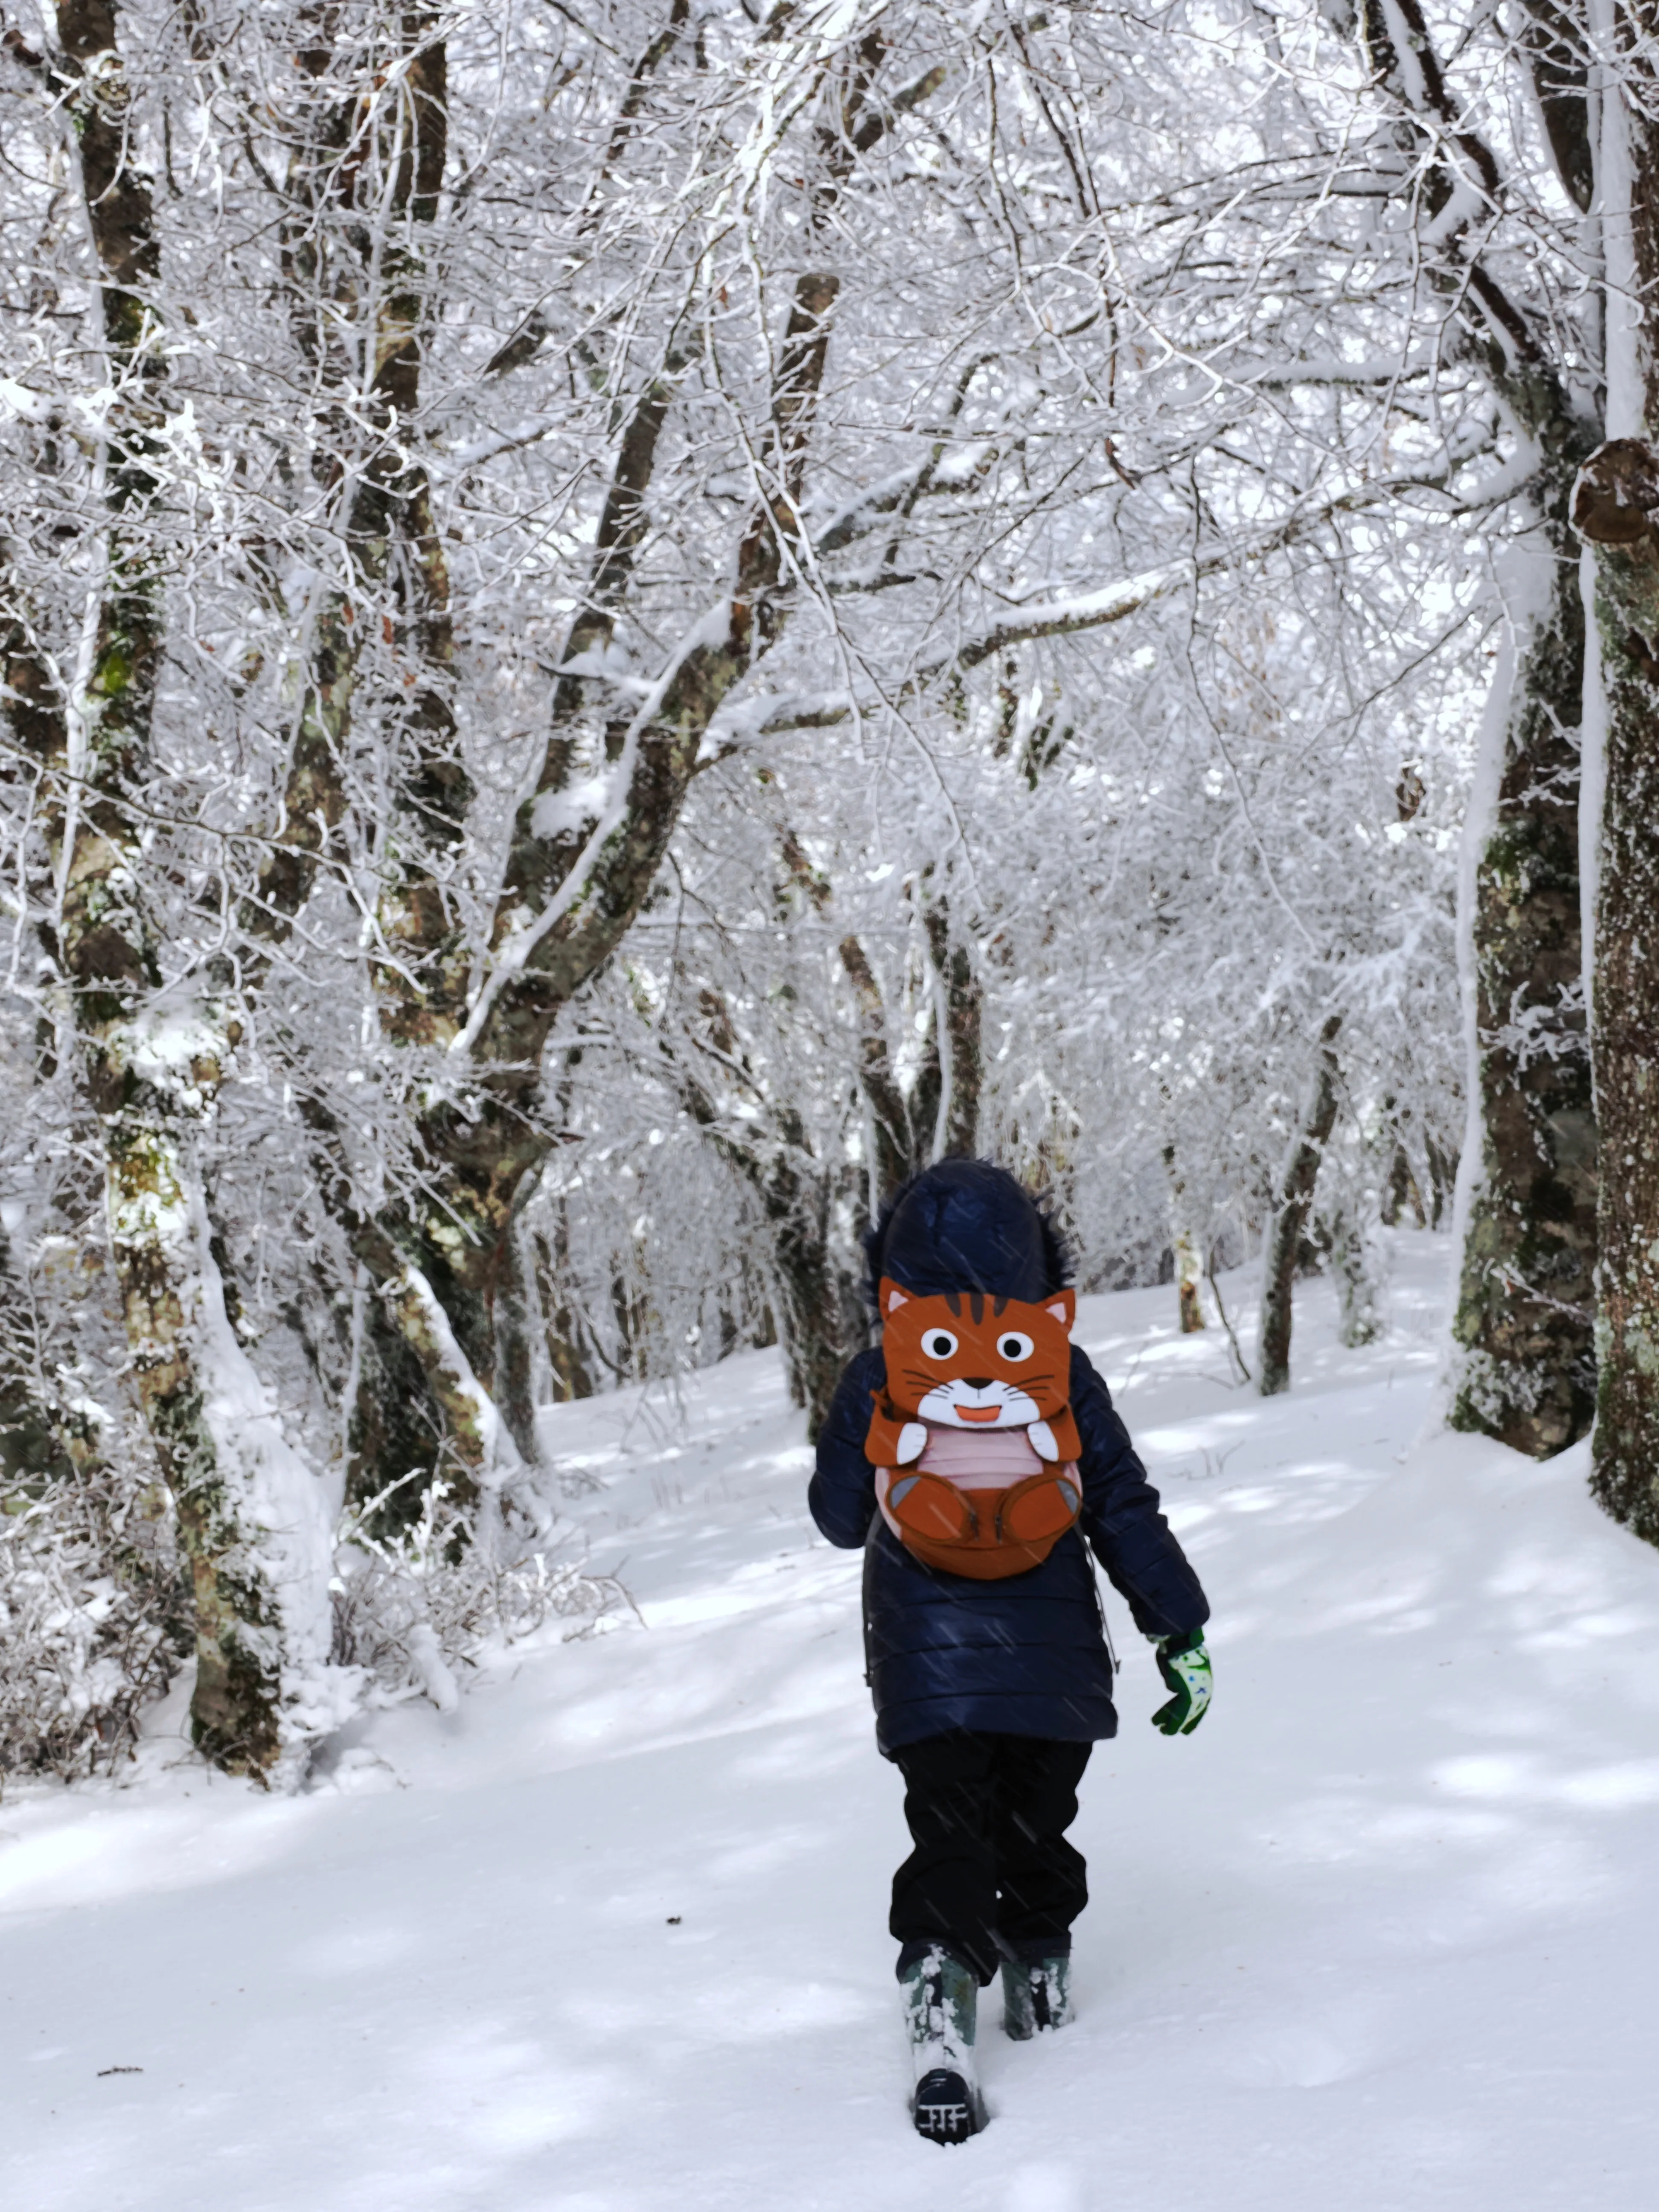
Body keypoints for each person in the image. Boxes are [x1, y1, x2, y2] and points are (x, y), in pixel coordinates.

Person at [809, 1159, 1212, 2143]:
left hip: (924, 1661)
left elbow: (838, 1519)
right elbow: (1121, 1508)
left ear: (894, 1271)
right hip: (1053, 1654)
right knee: (1038, 1822)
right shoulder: (1058, 1365)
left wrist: (880, 1414)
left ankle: (940, 2004)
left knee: (949, 1828)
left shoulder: (882, 1369)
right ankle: (1040, 1983)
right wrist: (1178, 1625)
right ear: (1035, 1265)